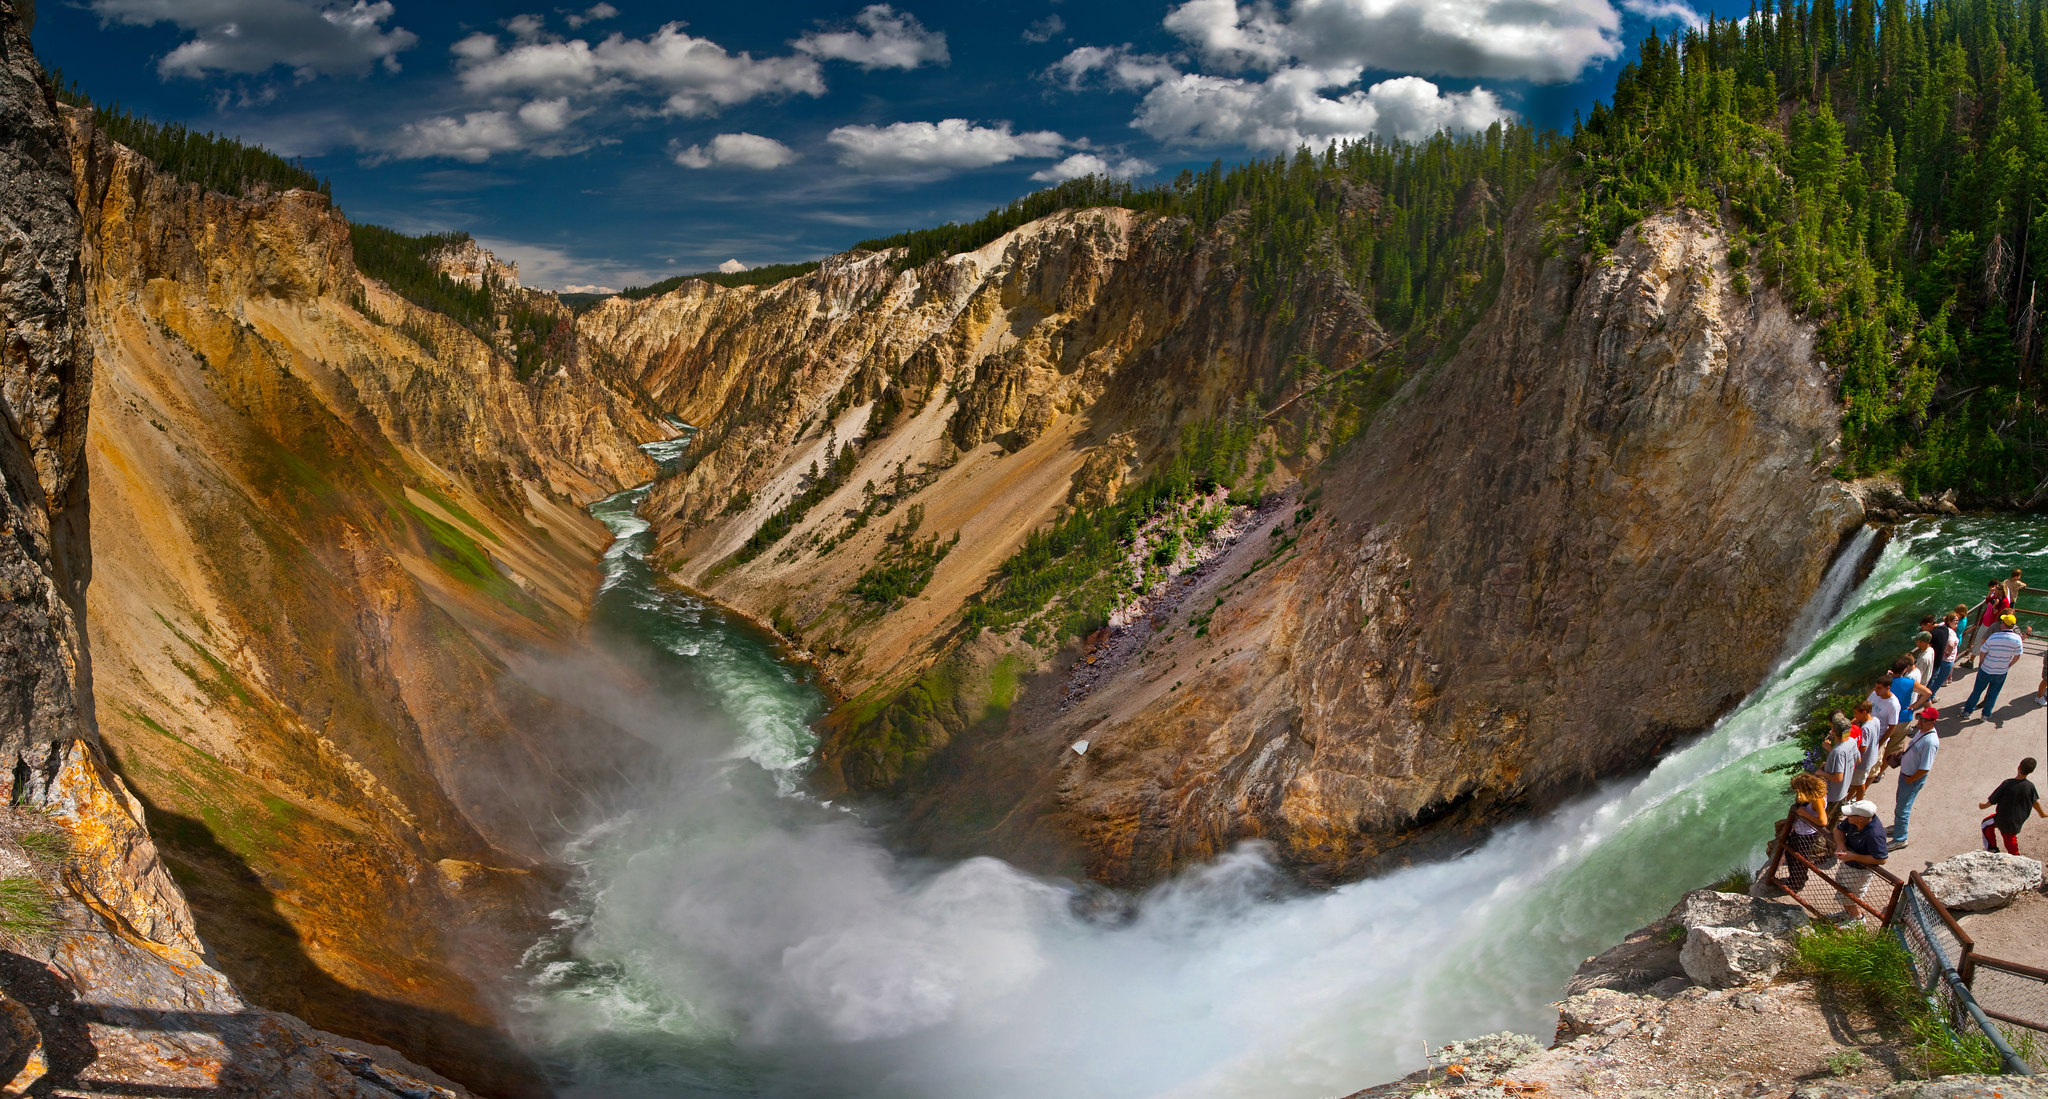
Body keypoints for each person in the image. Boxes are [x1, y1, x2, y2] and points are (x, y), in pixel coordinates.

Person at [1888, 707, 1939, 849]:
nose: (1920, 721)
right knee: (1900, 803)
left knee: (1903, 809)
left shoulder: (1930, 742)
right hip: (1906, 775)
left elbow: (1925, 767)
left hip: (1911, 778)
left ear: (1933, 722)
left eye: (1924, 719)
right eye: (1920, 718)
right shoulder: (1921, 732)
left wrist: (1911, 779)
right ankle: (1897, 827)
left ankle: (1900, 838)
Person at [1833, 800, 1890, 922]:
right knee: (1842, 888)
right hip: (1849, 863)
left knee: (1849, 896)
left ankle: (1857, 919)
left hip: (1860, 871)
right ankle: (1848, 913)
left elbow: (1882, 859)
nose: (1847, 816)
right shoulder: (1854, 820)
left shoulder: (1875, 835)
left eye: (1850, 814)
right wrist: (1841, 845)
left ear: (1860, 819)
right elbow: (1839, 830)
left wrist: (1854, 856)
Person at [1962, 614, 2027, 721]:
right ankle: (1985, 715)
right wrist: (2009, 664)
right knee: (1993, 693)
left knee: (1977, 691)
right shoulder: (2017, 639)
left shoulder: (1994, 636)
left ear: (2003, 624)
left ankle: (1967, 711)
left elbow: (1983, 651)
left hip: (1986, 669)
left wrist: (1982, 663)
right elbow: (2017, 655)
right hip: (2001, 671)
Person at [1982, 758, 2045, 854]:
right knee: (2010, 839)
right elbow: (2035, 802)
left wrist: (1983, 805)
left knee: (1986, 825)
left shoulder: (2007, 783)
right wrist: (2042, 813)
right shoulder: (2030, 786)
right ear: (2031, 771)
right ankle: (2014, 856)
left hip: (2003, 819)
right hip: (2016, 821)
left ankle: (1993, 849)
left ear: (2018, 767)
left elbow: (1992, 800)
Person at [1782, 772, 1830, 892]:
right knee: (1790, 854)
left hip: (1807, 834)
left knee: (1799, 860)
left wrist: (1805, 814)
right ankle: (1796, 879)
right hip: (1799, 830)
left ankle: (1796, 885)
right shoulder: (1811, 796)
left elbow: (1823, 821)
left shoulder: (1817, 800)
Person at [1967, 579, 2016, 666]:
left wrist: (1995, 606)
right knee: (1978, 641)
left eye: (1996, 588)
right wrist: (1990, 593)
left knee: (1985, 642)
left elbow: (1999, 615)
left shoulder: (2004, 602)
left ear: (2001, 590)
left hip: (1991, 625)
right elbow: (1987, 601)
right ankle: (1972, 660)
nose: (1994, 589)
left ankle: (1980, 662)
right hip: (1985, 622)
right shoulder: (1995, 597)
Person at [1850, 699, 1884, 797]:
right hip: (1873, 755)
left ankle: (1858, 800)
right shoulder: (1876, 720)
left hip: (1864, 762)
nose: (1855, 716)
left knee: (1859, 783)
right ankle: (1850, 798)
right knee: (1858, 782)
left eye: (1856, 713)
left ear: (1864, 712)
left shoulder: (1865, 728)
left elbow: (1863, 747)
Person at [1823, 722, 1861, 811]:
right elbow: (1858, 760)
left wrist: (1821, 773)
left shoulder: (1838, 751)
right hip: (1844, 789)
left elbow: (1838, 778)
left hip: (1832, 795)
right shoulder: (1852, 741)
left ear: (1834, 732)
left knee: (1827, 820)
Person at [1929, 611, 1961, 694]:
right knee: (1938, 681)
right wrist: (1949, 653)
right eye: (1955, 620)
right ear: (1949, 621)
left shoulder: (1942, 625)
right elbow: (1950, 644)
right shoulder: (1951, 633)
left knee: (1933, 679)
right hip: (1947, 661)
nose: (1957, 622)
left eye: (1957, 620)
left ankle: (1928, 696)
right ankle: (1929, 697)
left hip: (1939, 658)